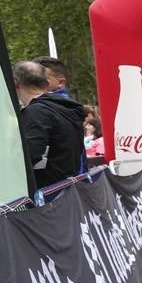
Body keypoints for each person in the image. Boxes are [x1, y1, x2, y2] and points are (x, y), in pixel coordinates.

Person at [13, 60, 86, 188]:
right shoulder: (66, 109)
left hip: (47, 194)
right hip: (67, 189)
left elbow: (28, 157)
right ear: (47, 83)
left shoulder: (37, 111)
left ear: (15, 83)